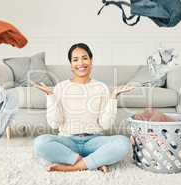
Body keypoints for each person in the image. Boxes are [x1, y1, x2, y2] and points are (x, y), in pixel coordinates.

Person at [33, 43, 135, 172]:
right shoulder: (60, 87)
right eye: (75, 60)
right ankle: (93, 162)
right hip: (67, 141)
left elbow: (105, 125)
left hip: (94, 141)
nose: (80, 63)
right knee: (40, 143)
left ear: (91, 61)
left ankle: (72, 166)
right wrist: (50, 96)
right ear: (71, 65)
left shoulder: (101, 87)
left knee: (123, 143)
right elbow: (54, 124)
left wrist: (113, 97)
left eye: (84, 58)